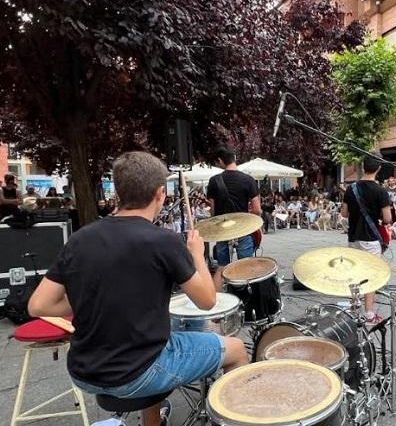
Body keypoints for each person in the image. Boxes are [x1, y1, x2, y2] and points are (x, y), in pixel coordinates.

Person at [27, 151, 249, 426]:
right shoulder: (163, 241)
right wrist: (197, 255)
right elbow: (206, 301)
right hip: (138, 372)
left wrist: (94, 296)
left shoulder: (80, 238)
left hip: (85, 372)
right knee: (237, 349)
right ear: (160, 193)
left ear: (119, 192)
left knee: (152, 341)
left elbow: (38, 306)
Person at [341, 154, 392, 323]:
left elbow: (344, 213)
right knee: (371, 274)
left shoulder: (351, 188)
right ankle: (369, 313)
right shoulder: (380, 191)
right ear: (378, 168)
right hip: (370, 239)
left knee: (355, 271)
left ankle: (354, 307)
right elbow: (387, 219)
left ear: (363, 167)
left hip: (353, 236)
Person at [207, 145, 261, 289]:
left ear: (220, 161)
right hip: (243, 231)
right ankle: (248, 302)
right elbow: (257, 210)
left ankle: (216, 302)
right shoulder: (248, 180)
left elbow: (212, 213)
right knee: (246, 266)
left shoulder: (214, 181)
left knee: (221, 267)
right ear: (234, 159)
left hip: (222, 231)